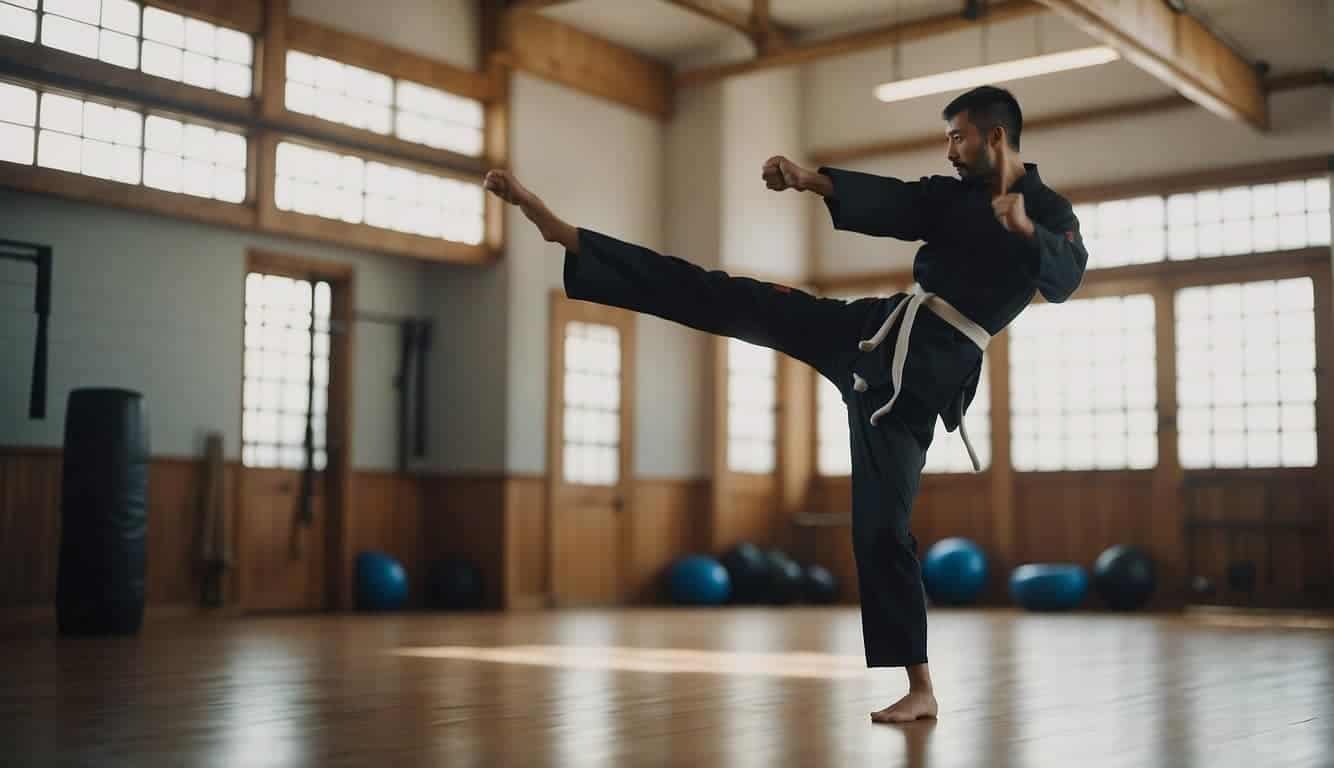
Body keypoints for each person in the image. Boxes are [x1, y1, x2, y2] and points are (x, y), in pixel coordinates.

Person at [483, 85, 1088, 723]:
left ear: (996, 137)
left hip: (918, 383)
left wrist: (1027, 234)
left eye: (958, 138)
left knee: (881, 531)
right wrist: (810, 180)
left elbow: (1067, 273)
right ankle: (575, 240)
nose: (950, 151)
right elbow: (901, 203)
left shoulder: (1048, 210)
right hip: (872, 333)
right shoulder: (955, 195)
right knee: (737, 298)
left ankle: (919, 688)